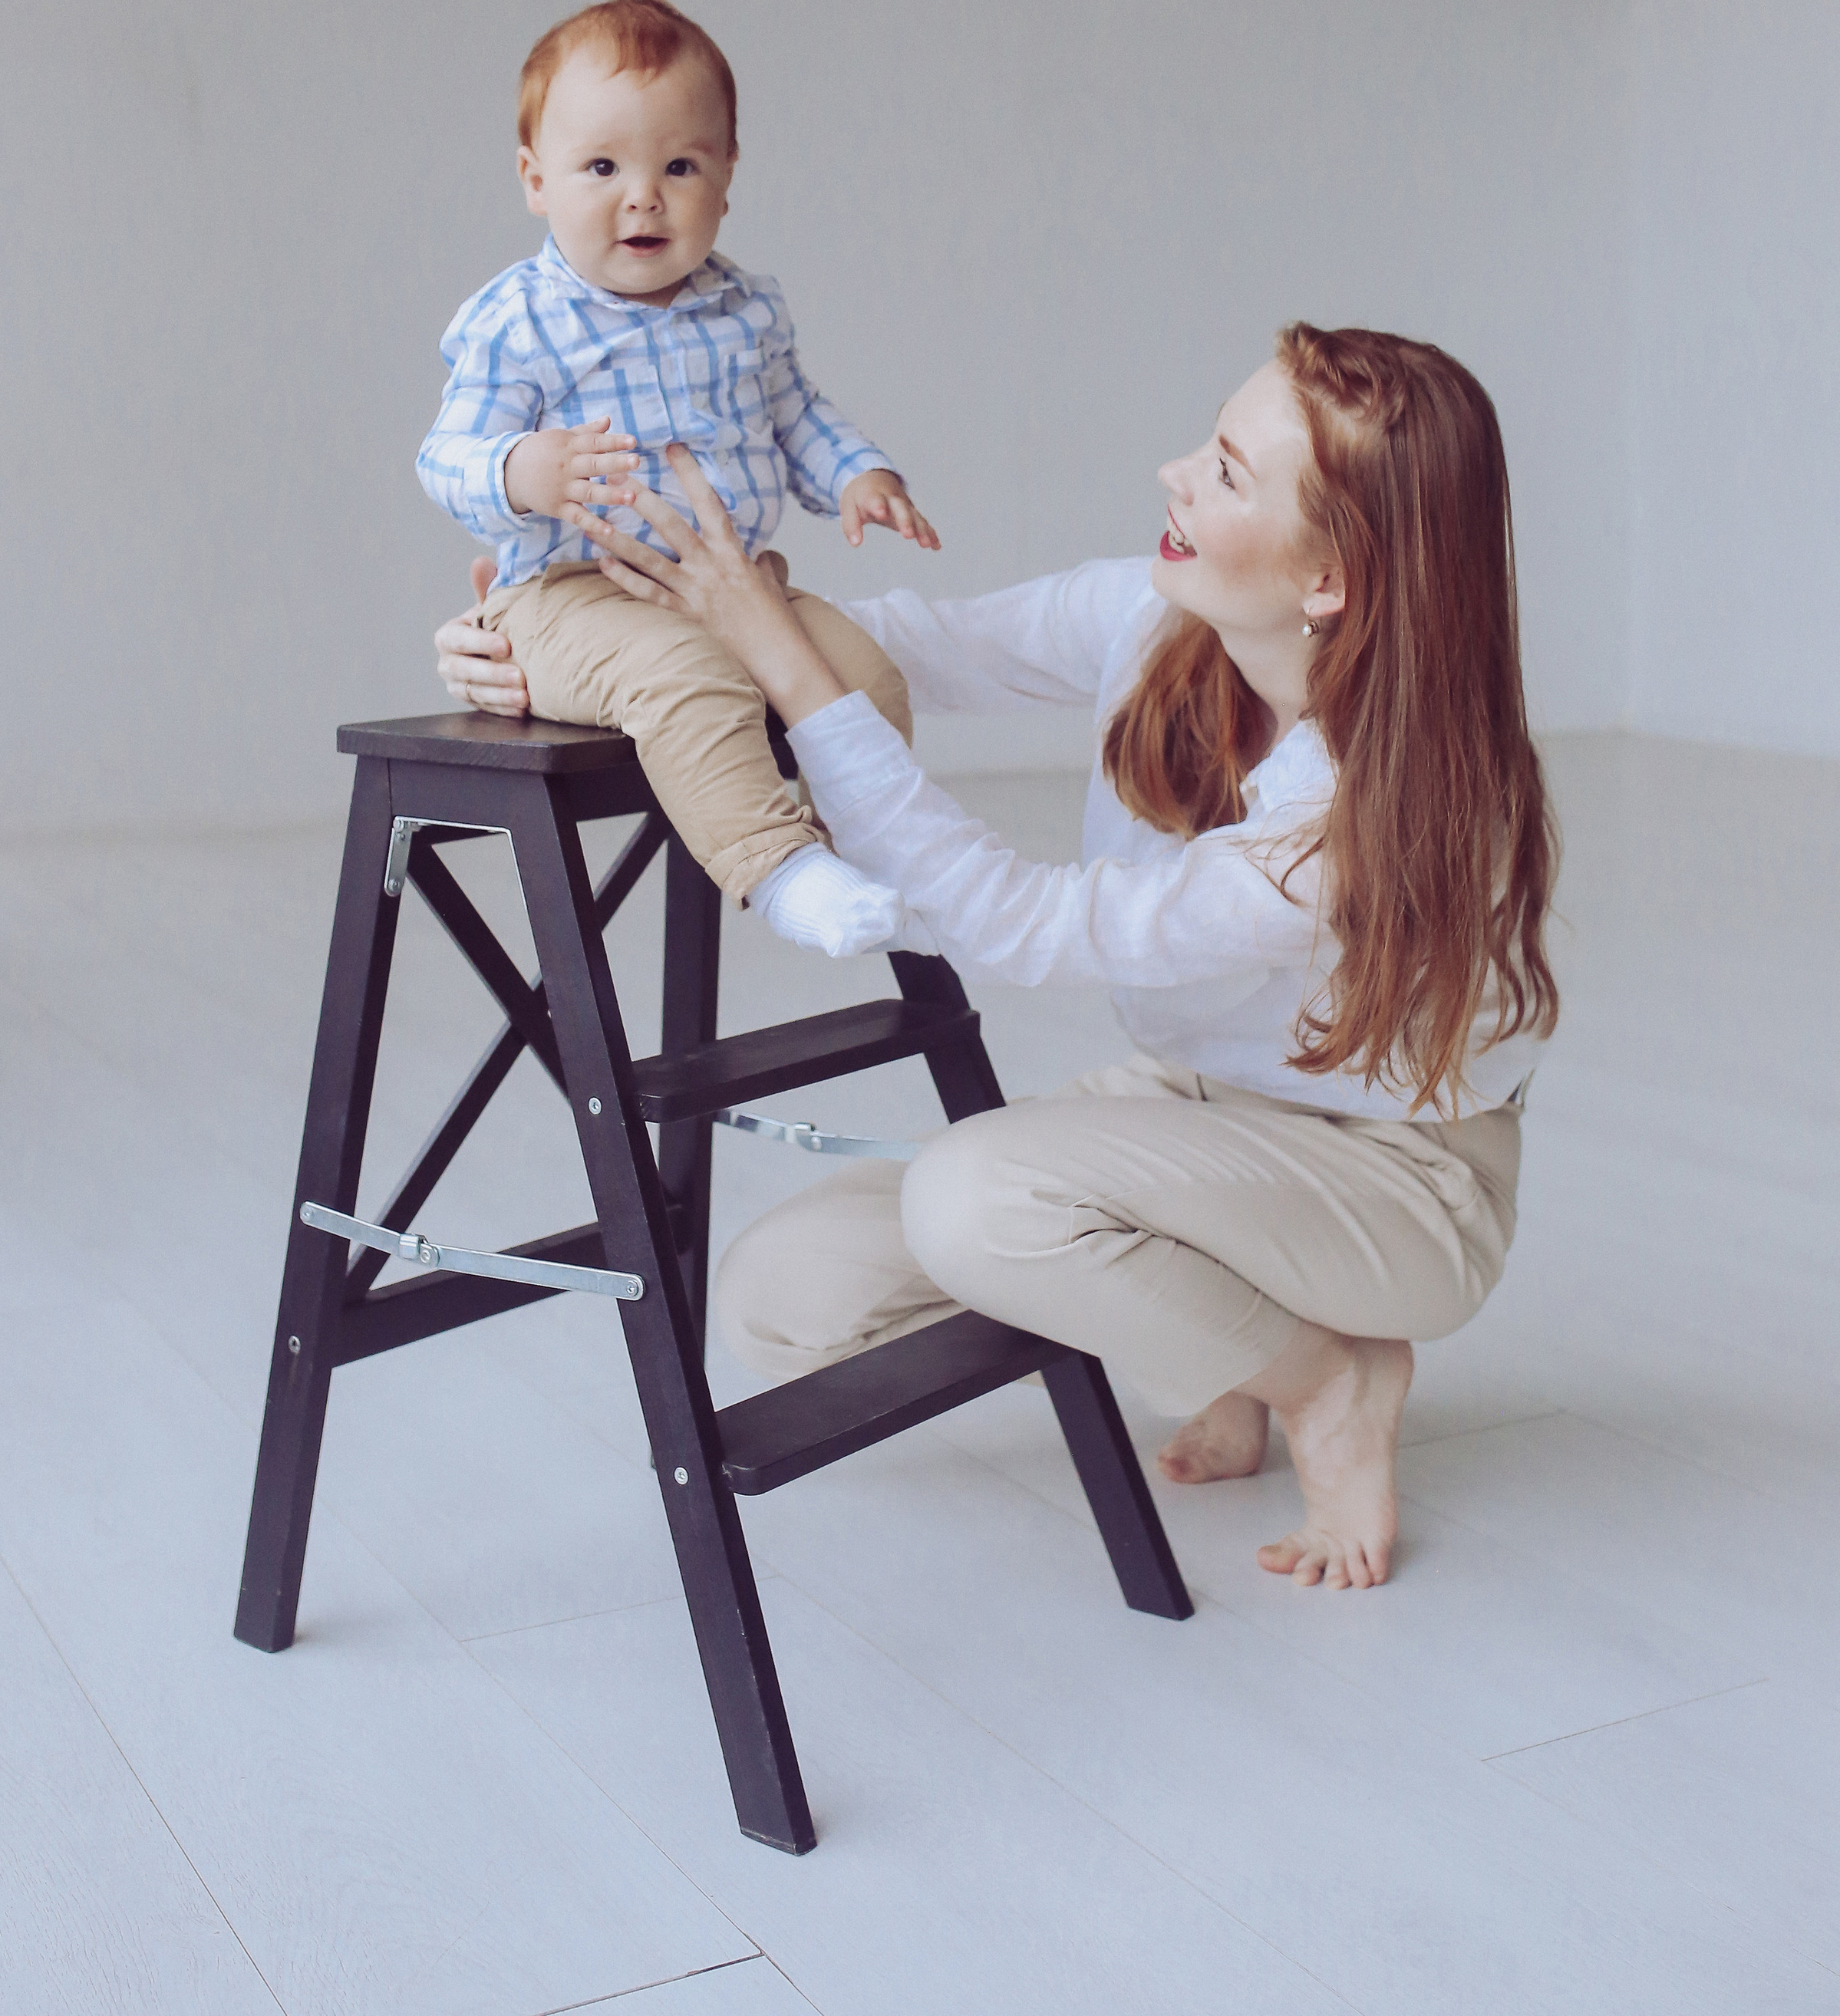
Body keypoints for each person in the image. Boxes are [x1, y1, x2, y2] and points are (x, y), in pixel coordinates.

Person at [435, 323, 1558, 1591]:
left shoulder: (1345, 818)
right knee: (781, 1299)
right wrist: (563, 640)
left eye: (1230, 474)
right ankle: (1244, 1345)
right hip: (1201, 1115)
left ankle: (1331, 1376)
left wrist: (787, 666)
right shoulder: (1159, 617)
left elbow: (1021, 924)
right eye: (1209, 441)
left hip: (1397, 1184)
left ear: (1330, 583)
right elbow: (923, 639)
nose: (1173, 474)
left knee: (982, 1202)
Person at [418, 0, 941, 958]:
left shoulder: (745, 308)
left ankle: (866, 849)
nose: (644, 195)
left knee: (865, 675)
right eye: (603, 167)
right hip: (579, 599)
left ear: (728, 179)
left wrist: (861, 474)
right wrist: (521, 469)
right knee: (685, 678)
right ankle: (775, 869)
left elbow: (797, 416)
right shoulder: (520, 319)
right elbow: (444, 456)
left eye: (680, 165)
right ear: (536, 179)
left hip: (734, 583)